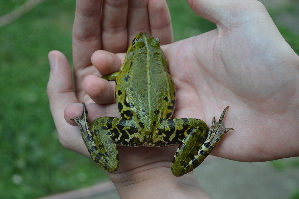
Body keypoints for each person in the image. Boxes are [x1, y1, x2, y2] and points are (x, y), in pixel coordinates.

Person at [47, 0, 299, 198]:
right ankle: (208, 141)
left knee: (99, 124)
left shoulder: (121, 72)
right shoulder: (163, 69)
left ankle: (89, 132)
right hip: (162, 129)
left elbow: (114, 76)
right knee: (201, 128)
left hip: (132, 128)